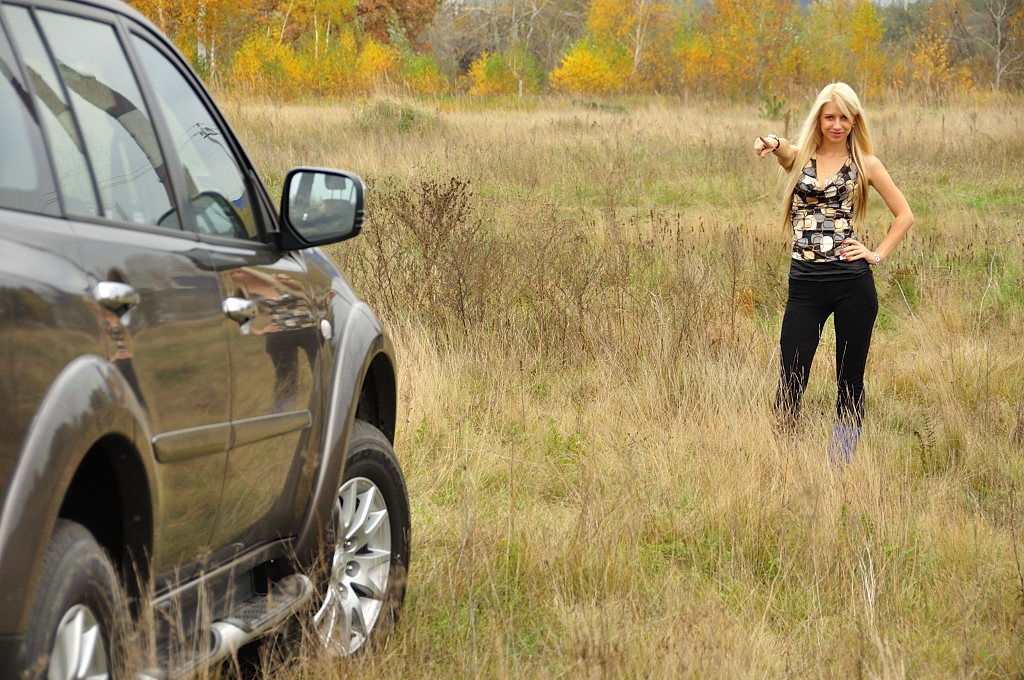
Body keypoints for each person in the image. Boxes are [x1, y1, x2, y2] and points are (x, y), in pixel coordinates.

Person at [753, 82, 914, 463]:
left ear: (855, 120)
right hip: (805, 285)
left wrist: (875, 255)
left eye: (844, 117)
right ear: (819, 119)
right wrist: (771, 141)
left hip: (851, 285)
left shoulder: (867, 164)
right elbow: (784, 149)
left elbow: (905, 216)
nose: (837, 124)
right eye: (829, 117)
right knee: (791, 377)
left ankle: (840, 463)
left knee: (849, 380)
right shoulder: (801, 158)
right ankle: (784, 459)